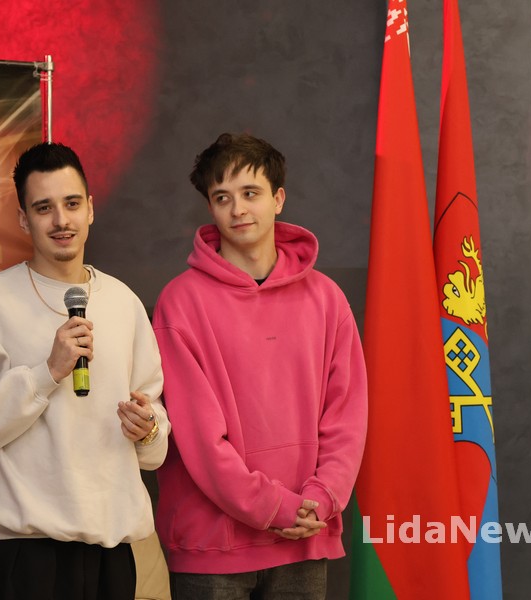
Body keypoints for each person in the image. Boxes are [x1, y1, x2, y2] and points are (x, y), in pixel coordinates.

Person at [0, 142, 169, 600]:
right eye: (44, 208)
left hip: (111, 551)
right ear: (24, 219)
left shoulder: (124, 303)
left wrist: (148, 430)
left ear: (90, 209)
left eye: (72, 204)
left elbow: (154, 446)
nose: (61, 220)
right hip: (21, 553)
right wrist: (46, 373)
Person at [152, 133, 368, 599]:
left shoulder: (327, 300)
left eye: (250, 193)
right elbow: (199, 439)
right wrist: (275, 507)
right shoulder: (180, 304)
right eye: (222, 198)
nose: (238, 210)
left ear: (278, 199)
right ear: (210, 208)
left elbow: (347, 416)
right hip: (212, 545)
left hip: (305, 533)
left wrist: (320, 498)